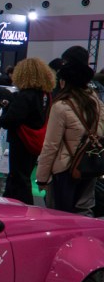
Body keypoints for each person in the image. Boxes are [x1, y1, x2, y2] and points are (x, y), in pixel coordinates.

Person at [36, 59, 103, 215]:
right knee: (84, 210)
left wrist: (42, 178)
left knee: (58, 214)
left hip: (64, 169)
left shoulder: (61, 107)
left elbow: (51, 145)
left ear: (64, 82)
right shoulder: (98, 104)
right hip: (89, 166)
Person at [0, 57, 53, 205]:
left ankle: (22, 208)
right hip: (35, 139)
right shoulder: (45, 95)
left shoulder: (25, 96)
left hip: (21, 141)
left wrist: (5, 111)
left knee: (19, 178)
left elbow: (9, 120)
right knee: (22, 176)